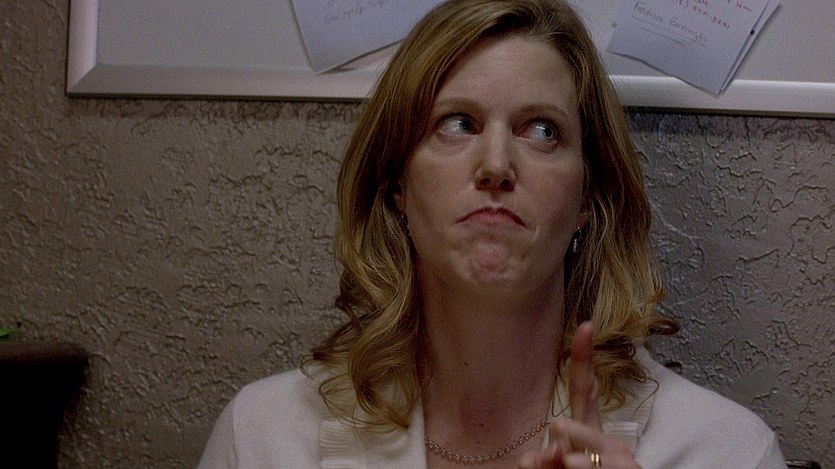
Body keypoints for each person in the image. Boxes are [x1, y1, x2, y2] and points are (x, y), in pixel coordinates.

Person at [198, 0, 787, 467]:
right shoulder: (262, 437)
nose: (497, 165)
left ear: (587, 199)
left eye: (543, 131)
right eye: (458, 124)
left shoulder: (729, 452)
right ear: (396, 184)